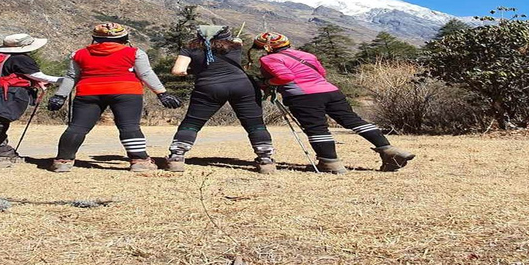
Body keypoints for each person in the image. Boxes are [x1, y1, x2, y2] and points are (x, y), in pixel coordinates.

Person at [253, 31, 415, 173]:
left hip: (303, 96)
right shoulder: (307, 55)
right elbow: (321, 72)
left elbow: (285, 77)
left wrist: (267, 83)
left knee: (316, 128)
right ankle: (389, 150)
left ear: (267, 48)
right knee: (353, 121)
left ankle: (329, 162)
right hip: (330, 91)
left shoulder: (270, 59)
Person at [47, 22, 181, 172]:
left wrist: (60, 96)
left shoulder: (78, 54)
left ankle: (63, 161)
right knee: (129, 127)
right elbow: (145, 74)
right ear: (125, 37)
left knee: (77, 127)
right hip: (126, 91)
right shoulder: (136, 53)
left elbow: (72, 76)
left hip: (89, 92)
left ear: (95, 38)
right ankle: (140, 161)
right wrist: (162, 93)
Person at [164, 25, 276, 174]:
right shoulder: (236, 46)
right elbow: (238, 40)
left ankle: (177, 158)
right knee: (255, 124)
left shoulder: (190, 48)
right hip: (243, 86)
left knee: (192, 122)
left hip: (208, 87)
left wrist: (197, 69)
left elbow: (178, 70)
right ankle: (266, 160)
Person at [0, 33, 60, 168]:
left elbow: (16, 77)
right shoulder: (21, 59)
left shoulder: (4, 58)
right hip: (6, 96)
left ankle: (3, 152)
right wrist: (64, 80)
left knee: (0, 122)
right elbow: (38, 76)